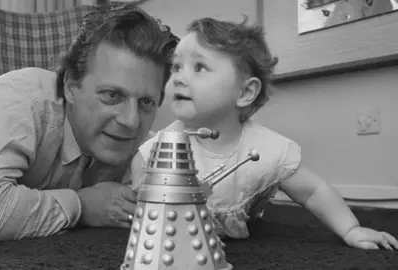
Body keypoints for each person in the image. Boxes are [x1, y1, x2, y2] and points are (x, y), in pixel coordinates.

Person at [130, 17, 398, 251]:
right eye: (176, 67)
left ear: (246, 93)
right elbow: (147, 202)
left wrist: (350, 228)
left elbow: (312, 191)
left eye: (199, 67)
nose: (178, 77)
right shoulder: (162, 147)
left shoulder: (265, 148)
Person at [0, 4, 179, 245]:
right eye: (112, 95)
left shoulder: (143, 148)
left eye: (146, 102)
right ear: (71, 87)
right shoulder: (20, 98)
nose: (131, 121)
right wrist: (81, 206)